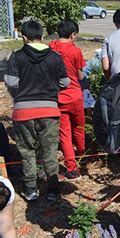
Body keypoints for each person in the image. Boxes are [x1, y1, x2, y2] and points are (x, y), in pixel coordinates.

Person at [4, 20, 70, 202]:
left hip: (23, 112)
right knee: (49, 151)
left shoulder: (16, 56)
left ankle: (31, 189)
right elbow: (65, 83)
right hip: (49, 110)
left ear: (24, 38)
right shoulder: (55, 57)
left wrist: (21, 92)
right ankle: (53, 190)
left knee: (27, 151)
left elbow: (10, 82)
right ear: (42, 36)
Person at [50, 21, 87, 180]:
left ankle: (72, 168)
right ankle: (81, 154)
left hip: (58, 96)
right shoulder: (75, 51)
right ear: (73, 35)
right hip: (74, 95)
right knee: (79, 127)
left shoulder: (51, 49)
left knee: (64, 134)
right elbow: (80, 75)